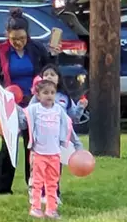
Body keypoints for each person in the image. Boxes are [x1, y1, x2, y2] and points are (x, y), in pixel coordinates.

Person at [0, 8, 58, 195]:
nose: (18, 43)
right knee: (8, 144)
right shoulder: (1, 51)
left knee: (33, 144)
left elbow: (48, 70)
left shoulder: (36, 49)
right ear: (7, 37)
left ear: (28, 36)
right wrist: (4, 96)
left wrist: (53, 55)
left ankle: (33, 183)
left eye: (22, 38)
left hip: (35, 102)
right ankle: (4, 188)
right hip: (11, 104)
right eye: (14, 39)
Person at [28, 64, 87, 204]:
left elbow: (72, 117)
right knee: (39, 168)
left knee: (55, 169)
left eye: (52, 74)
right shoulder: (37, 98)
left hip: (58, 141)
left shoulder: (64, 98)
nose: (49, 77)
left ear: (58, 79)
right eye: (46, 74)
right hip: (41, 141)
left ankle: (53, 194)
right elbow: (28, 115)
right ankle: (38, 194)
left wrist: (80, 107)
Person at [20, 80, 73, 219]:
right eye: (45, 93)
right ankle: (35, 207)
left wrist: (67, 142)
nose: (49, 96)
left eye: (52, 93)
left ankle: (51, 209)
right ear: (37, 95)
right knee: (37, 181)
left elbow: (67, 124)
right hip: (39, 153)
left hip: (54, 153)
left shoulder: (58, 110)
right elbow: (22, 115)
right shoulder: (34, 109)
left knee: (52, 182)